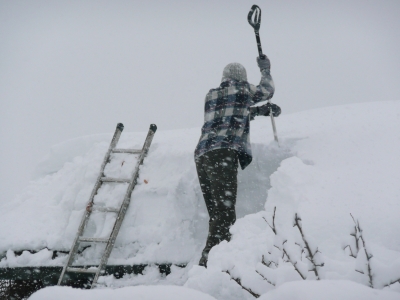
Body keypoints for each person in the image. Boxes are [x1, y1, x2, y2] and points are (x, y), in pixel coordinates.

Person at [194, 55, 281, 267]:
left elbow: (233, 114)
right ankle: (213, 263)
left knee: (216, 212)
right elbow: (266, 91)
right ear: (242, 78)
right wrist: (265, 70)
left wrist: (260, 111)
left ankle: (213, 257)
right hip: (222, 154)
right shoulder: (243, 90)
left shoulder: (211, 95)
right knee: (224, 212)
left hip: (202, 155)